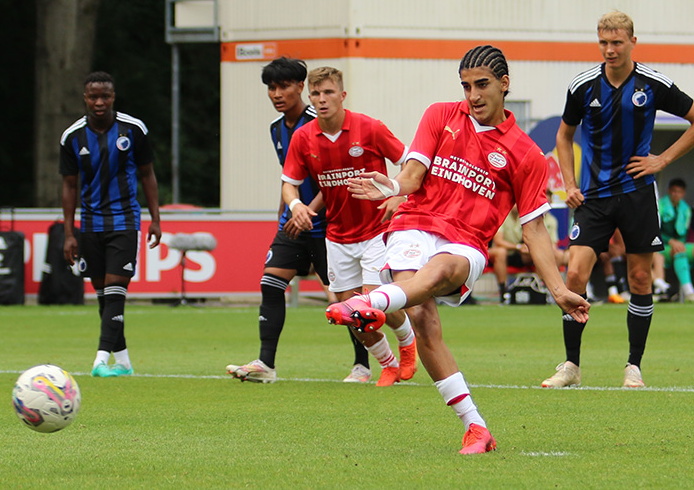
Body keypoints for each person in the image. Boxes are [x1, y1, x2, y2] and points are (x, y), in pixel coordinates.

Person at [325, 45, 589, 454]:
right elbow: (411, 175)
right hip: (413, 223)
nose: (473, 95)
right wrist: (392, 186)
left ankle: (369, 303)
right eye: (466, 86)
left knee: (441, 273)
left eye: (482, 85)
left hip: (466, 241)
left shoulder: (527, 155)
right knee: (421, 318)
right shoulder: (440, 115)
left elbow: (534, 229)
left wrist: (558, 290)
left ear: (505, 84)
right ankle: (477, 429)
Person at [543, 10, 694, 389]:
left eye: (617, 42)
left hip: (637, 194)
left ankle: (633, 366)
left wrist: (662, 159)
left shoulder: (652, 83)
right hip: (595, 197)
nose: (609, 49)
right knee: (574, 275)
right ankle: (571, 366)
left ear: (633, 42)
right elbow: (563, 137)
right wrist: (569, 183)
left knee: (639, 277)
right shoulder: (583, 86)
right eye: (603, 42)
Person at [226, 57, 370, 384]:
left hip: (329, 225)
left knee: (346, 297)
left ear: (301, 87)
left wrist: (308, 210)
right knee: (270, 283)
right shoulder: (277, 129)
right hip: (293, 224)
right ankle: (266, 365)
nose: (277, 93)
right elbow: (288, 178)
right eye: (271, 87)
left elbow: (332, 179)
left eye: (284, 86)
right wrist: (285, 215)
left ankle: (363, 365)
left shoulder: (318, 123)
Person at [281, 66, 416, 386]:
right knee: (346, 312)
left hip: (375, 232)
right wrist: (296, 205)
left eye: (328, 92)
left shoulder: (369, 128)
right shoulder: (303, 138)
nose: (322, 99)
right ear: (309, 97)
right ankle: (388, 363)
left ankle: (407, 342)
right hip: (337, 236)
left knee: (373, 300)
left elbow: (411, 163)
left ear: (342, 95)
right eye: (315, 94)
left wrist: (399, 195)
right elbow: (289, 184)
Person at [60, 71, 162, 377]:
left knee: (117, 289)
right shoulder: (72, 137)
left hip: (125, 221)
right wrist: (68, 233)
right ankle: (124, 363)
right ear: (85, 98)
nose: (100, 101)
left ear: (113, 97)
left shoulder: (133, 129)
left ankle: (100, 360)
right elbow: (68, 186)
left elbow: (147, 174)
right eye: (94, 96)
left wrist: (156, 218)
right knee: (104, 295)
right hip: (90, 224)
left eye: (105, 95)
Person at [489, 202, 568, 302]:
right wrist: (518, 247)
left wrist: (531, 248)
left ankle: (542, 289)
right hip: (509, 252)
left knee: (550, 254)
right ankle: (503, 292)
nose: (515, 206)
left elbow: (549, 243)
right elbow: (498, 241)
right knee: (501, 252)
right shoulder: (504, 215)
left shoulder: (548, 219)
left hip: (526, 252)